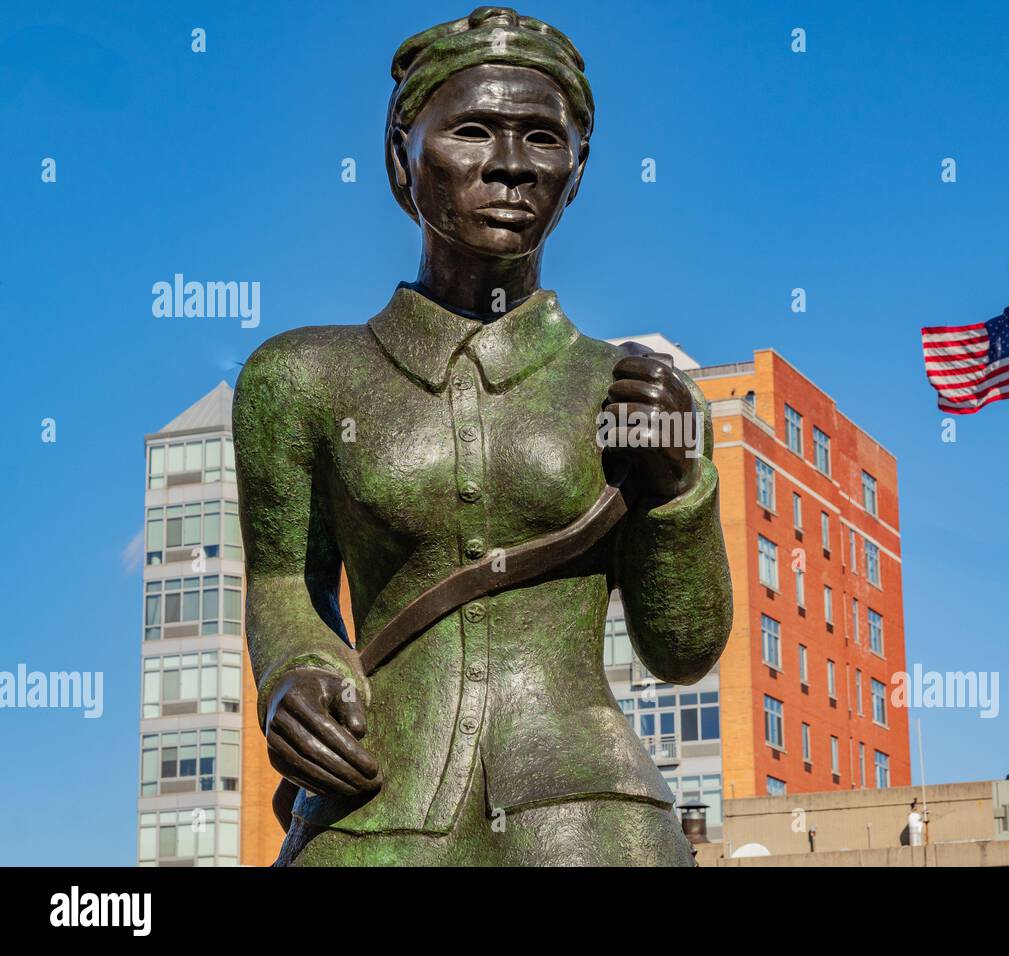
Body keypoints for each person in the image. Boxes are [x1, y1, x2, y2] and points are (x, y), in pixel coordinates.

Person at [232, 6, 732, 866]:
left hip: (589, 816)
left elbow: (683, 652)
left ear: (576, 173)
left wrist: (679, 497)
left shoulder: (630, 390)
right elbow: (285, 581)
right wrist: (295, 676)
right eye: (472, 131)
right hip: (373, 799)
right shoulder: (300, 377)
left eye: (543, 139)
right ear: (401, 157)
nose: (509, 168)